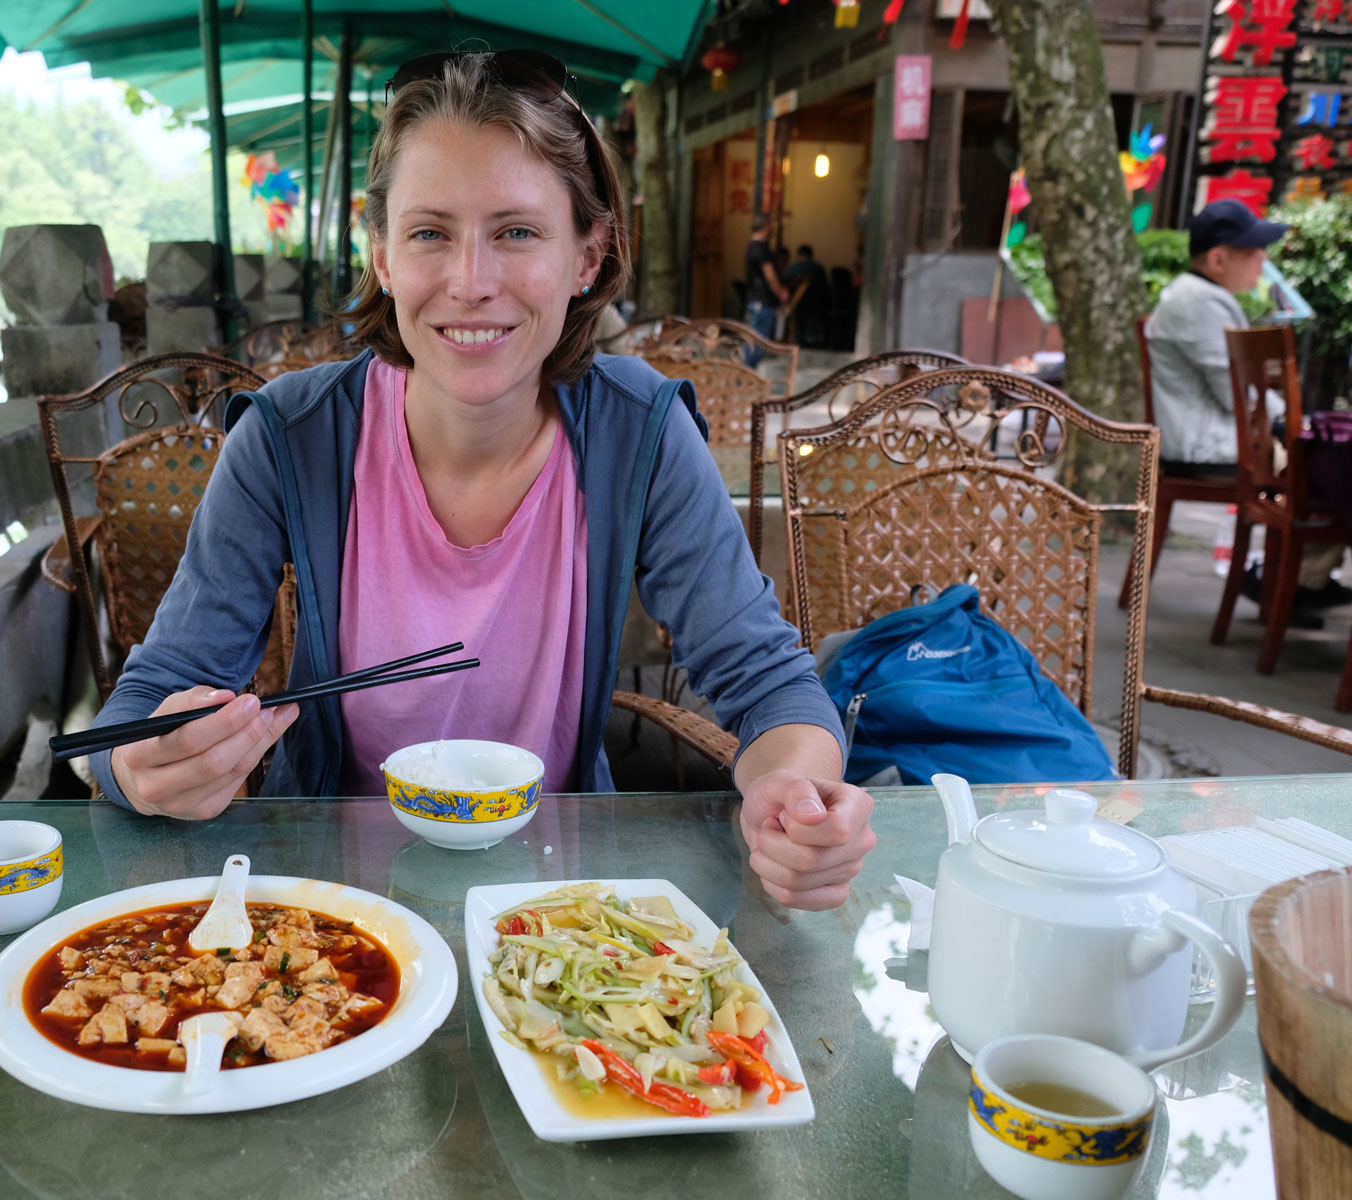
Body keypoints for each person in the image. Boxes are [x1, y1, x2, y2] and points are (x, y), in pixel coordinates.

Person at [90, 50, 876, 912]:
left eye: (517, 232)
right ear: (382, 253)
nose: (471, 283)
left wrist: (793, 795)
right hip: (328, 899)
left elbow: (768, 682)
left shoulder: (639, 432)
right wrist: (137, 765)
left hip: (562, 895)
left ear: (588, 254)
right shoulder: (289, 435)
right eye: (430, 232)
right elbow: (148, 697)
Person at [1145, 199, 1347, 625]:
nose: (1263, 260)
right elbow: (1236, 395)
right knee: (1332, 466)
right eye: (1254, 252)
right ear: (1218, 258)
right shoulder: (1200, 302)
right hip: (1210, 444)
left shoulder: (1196, 295)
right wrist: (1298, 422)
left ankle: (1294, 578)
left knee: (1327, 460)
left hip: (1208, 435)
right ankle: (1292, 581)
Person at [742, 214, 788, 367]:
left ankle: (744, 380)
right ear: (766, 226)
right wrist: (781, 292)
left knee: (753, 342)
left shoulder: (753, 247)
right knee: (756, 344)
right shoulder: (760, 249)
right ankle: (743, 381)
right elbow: (770, 277)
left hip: (757, 302)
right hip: (762, 303)